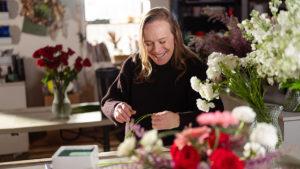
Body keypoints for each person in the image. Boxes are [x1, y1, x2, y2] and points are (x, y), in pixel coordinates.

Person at [101, 7, 223, 145]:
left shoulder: (195, 66)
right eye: (148, 43)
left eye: (162, 41)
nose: (156, 50)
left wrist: (179, 120)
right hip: (142, 152)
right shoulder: (133, 65)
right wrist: (116, 108)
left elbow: (216, 113)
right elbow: (108, 101)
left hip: (185, 151)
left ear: (175, 37)